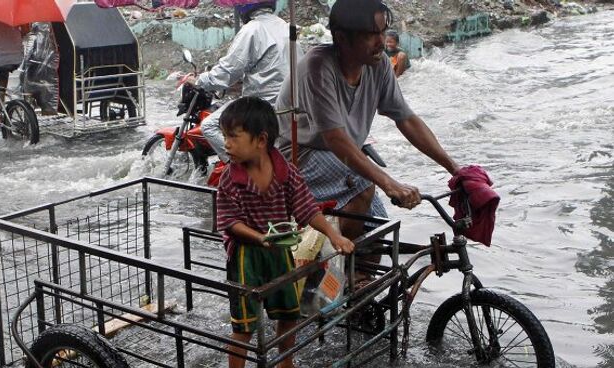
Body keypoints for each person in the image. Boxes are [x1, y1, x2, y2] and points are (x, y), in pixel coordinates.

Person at [274, 0, 460, 278]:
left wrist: (454, 168)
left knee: (378, 229)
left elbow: (406, 118)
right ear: (341, 37)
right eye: (371, 35)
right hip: (302, 157)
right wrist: (389, 184)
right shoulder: (317, 67)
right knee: (364, 185)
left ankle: (360, 283)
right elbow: (335, 138)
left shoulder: (380, 65)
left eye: (383, 32)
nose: (381, 42)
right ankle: (345, 274)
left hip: (342, 157)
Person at [216, 96, 354, 368]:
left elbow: (307, 209)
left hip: (278, 251)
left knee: (288, 314)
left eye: (233, 136)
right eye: (225, 137)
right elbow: (230, 222)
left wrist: (334, 235)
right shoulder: (230, 178)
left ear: (260, 140)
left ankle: (285, 363)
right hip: (245, 256)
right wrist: (259, 238)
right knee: (244, 326)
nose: (226, 144)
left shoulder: (287, 173)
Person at [187, 1, 297, 164]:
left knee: (209, 125)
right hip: (288, 103)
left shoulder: (252, 29)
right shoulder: (285, 26)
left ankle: (240, 167)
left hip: (261, 105)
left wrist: (199, 80)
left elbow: (227, 71)